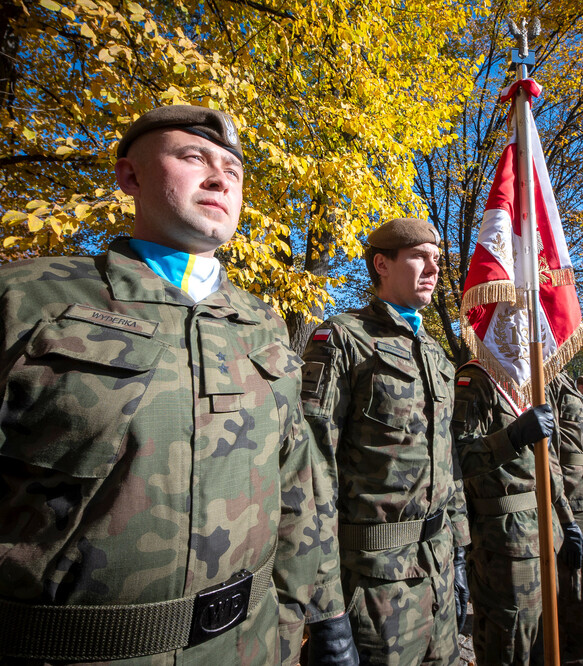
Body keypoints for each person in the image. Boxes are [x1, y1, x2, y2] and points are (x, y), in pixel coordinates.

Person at [0, 106, 340, 664]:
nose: (219, 177)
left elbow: (298, 477)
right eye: (193, 157)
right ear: (131, 177)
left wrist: (323, 612)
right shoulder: (30, 299)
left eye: (233, 169)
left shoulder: (262, 323)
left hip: (252, 647)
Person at [300, 218, 469, 664]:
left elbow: (446, 460)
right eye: (419, 257)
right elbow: (310, 470)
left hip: (438, 565)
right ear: (382, 264)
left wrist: (460, 551)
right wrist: (324, 610)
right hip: (374, 583)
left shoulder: (435, 353)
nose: (434, 268)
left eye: (437, 258)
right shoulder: (342, 338)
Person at [452, 362, 582, 665]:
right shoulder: (477, 379)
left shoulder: (529, 383)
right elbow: (456, 455)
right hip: (504, 541)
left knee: (543, 641)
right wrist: (511, 437)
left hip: (546, 532)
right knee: (509, 645)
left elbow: (549, 467)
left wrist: (567, 521)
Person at [546, 371, 583, 666]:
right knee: (573, 586)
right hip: (570, 496)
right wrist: (563, 511)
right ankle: (572, 656)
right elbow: (548, 451)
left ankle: (580, 653)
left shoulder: (562, 377)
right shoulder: (547, 379)